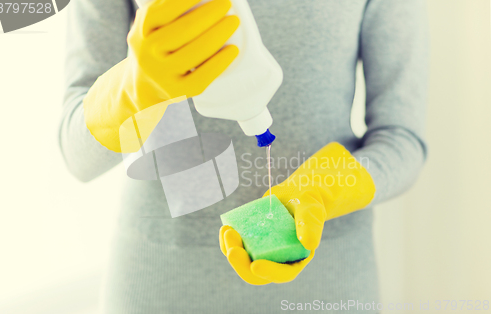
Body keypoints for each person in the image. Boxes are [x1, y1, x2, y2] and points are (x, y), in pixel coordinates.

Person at [60, 0, 429, 312]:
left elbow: (402, 139)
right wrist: (133, 87)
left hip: (328, 290)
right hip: (161, 284)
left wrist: (324, 190)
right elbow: (78, 157)